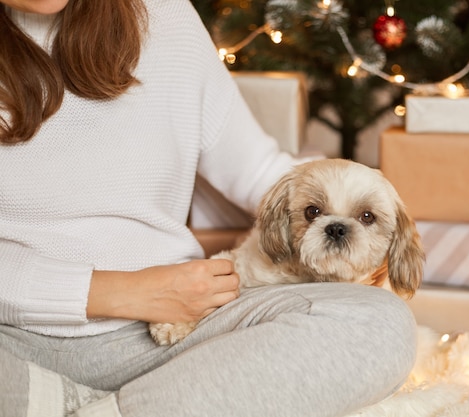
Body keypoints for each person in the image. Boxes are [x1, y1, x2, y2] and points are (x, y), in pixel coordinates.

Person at [0, 1, 418, 416]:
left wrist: (380, 228)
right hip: (15, 338)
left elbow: (263, 175)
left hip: (183, 330)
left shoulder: (165, 15)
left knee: (382, 324)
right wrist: (125, 291)